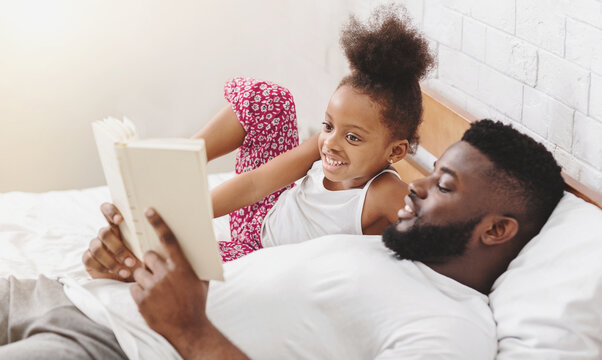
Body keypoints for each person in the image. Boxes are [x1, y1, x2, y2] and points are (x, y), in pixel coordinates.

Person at [0, 119, 566, 359]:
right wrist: (123, 266)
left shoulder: (452, 329)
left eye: (442, 184)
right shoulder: (389, 248)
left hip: (114, 350)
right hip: (74, 298)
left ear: (496, 230)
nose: (414, 188)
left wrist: (189, 330)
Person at [82, 4, 435, 280]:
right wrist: (188, 213)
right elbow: (255, 184)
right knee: (270, 100)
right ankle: (179, 162)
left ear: (396, 152)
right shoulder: (323, 146)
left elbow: (438, 241)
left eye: (353, 137)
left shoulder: (385, 192)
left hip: (262, 256)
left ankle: (127, 257)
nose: (330, 143)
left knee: (167, 264)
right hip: (263, 212)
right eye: (328, 125)